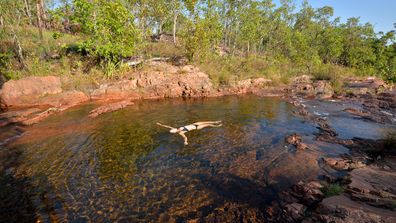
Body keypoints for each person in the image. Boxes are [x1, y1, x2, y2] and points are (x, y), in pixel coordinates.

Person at [157, 121, 222, 145]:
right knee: (208, 125)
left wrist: (160, 124)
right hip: (196, 127)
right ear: (174, 132)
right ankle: (217, 126)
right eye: (172, 130)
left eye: (172, 129)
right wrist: (185, 141)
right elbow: (185, 137)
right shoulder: (180, 133)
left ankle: (216, 122)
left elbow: (167, 126)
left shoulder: (176, 128)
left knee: (206, 121)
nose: (172, 129)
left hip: (194, 124)